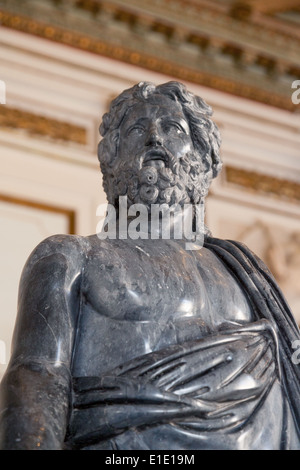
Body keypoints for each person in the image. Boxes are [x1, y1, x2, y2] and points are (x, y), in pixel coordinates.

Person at [0, 81, 299, 450]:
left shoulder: (247, 272)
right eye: (137, 129)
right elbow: (37, 375)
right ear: (110, 158)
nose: (154, 137)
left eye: (173, 128)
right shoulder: (70, 257)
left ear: (204, 158)